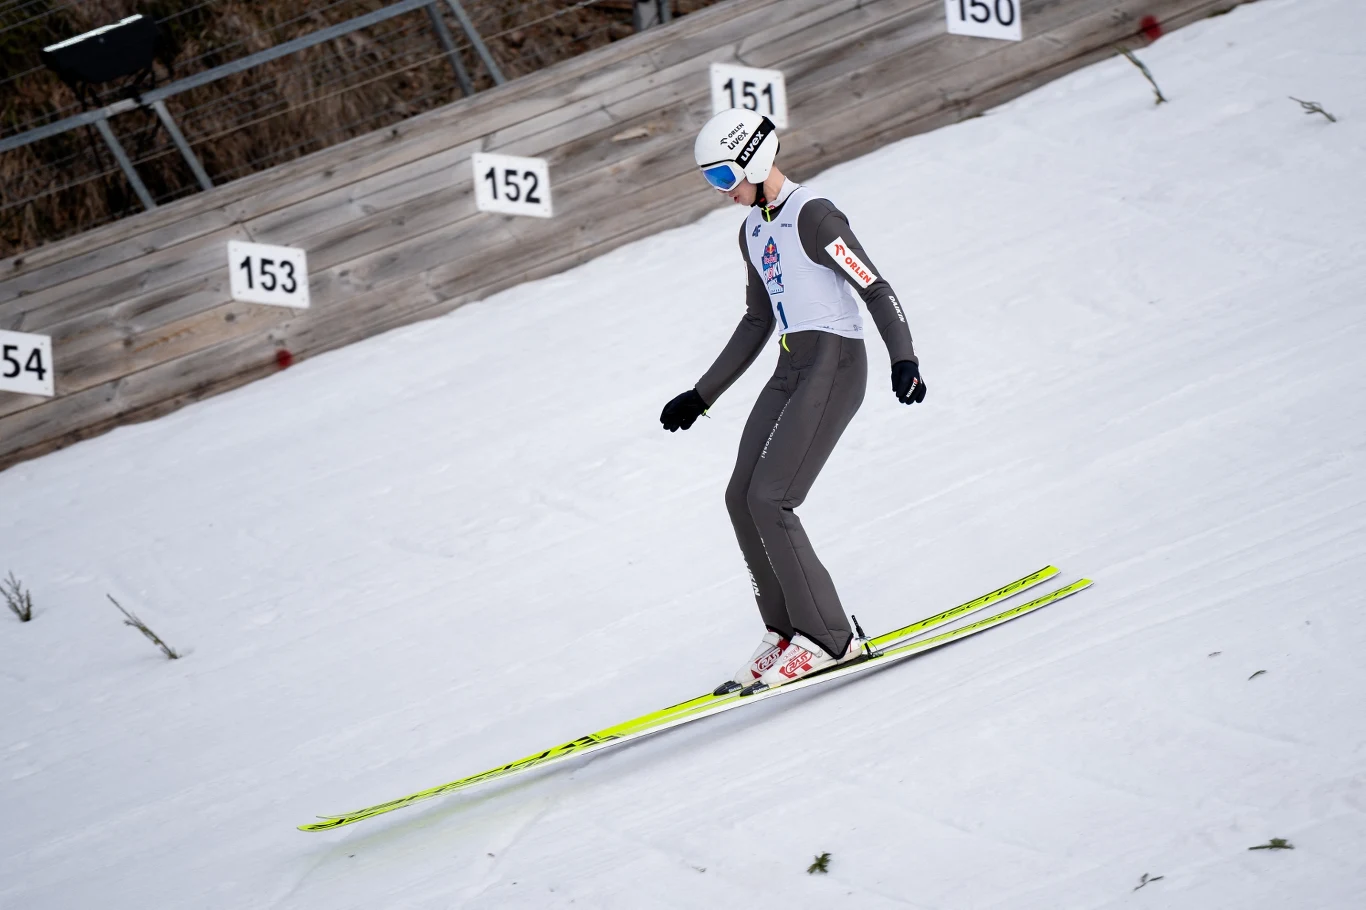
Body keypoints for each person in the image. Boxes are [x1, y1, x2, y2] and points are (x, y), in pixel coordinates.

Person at [660, 109, 926, 696]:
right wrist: (701, 394)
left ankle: (830, 637)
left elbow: (875, 287)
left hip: (835, 364)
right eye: (713, 184)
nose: (723, 195)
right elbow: (758, 317)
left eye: (725, 180)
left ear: (753, 161)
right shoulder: (753, 230)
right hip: (791, 364)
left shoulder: (816, 217)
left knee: (772, 498)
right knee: (740, 497)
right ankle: (785, 632)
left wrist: (902, 357)